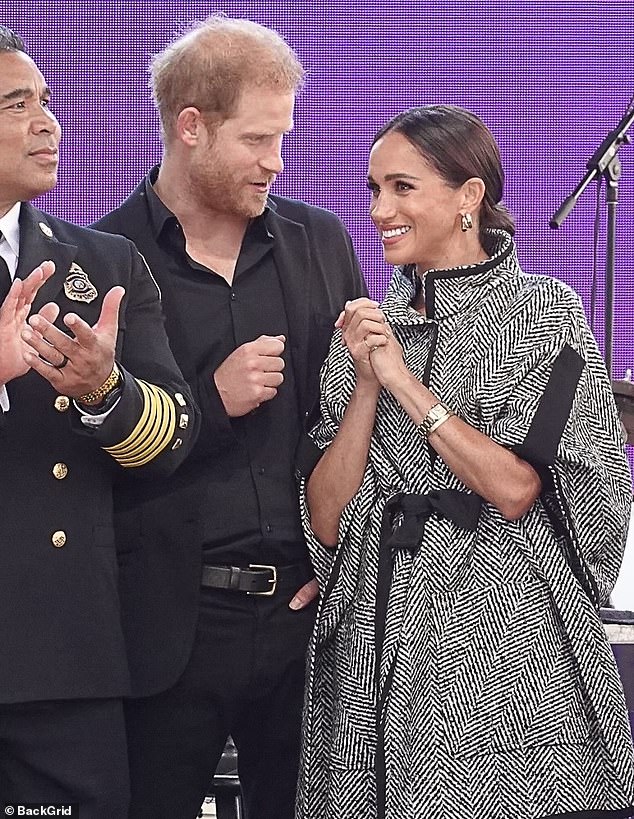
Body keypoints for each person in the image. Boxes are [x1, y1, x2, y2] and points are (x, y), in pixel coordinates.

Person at [298, 104, 634, 819]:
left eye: (402, 187)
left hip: (501, 634)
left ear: (468, 196)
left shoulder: (544, 312)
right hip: (372, 634)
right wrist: (363, 381)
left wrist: (405, 386)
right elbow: (326, 521)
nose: (379, 208)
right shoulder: (363, 328)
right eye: (372, 189)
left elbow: (514, 489)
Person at [92, 14, 367, 819]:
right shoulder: (104, 258)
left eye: (282, 138)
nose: (275, 162)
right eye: (256, 140)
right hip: (166, 631)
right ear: (192, 128)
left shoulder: (319, 241)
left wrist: (335, 561)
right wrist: (209, 401)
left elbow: (348, 418)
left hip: (302, 621)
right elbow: (91, 453)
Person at [0, 26, 198, 816]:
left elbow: (172, 439)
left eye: (47, 102)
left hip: (61, 663)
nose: (50, 122)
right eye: (18, 104)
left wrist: (103, 390)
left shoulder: (103, 266)